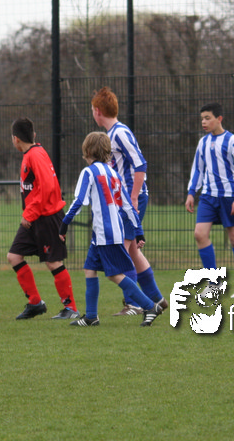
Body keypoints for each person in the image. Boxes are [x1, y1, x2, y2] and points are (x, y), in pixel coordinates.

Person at [61, 132, 163, 327]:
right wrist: (138, 230)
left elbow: (79, 201)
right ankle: (91, 317)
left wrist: (64, 223)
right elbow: (128, 205)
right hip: (109, 232)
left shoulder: (89, 172)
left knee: (114, 275)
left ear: (87, 150)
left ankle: (150, 306)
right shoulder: (113, 173)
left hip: (105, 234)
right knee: (90, 269)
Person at [91, 87, 167, 315]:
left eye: (92, 110)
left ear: (98, 111)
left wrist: (133, 197)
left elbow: (140, 164)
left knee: (121, 251)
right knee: (132, 250)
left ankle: (134, 304)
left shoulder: (119, 133)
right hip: (125, 201)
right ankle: (157, 299)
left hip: (131, 200)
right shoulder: (113, 134)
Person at [7, 118, 78, 320]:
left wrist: (29, 214)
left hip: (47, 217)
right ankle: (35, 303)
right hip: (34, 218)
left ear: (15, 139)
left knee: (53, 262)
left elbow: (46, 188)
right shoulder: (31, 154)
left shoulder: (35, 155)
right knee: (14, 256)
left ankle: (71, 308)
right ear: (34, 135)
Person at [185, 102, 234, 298]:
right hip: (208, 197)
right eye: (202, 119)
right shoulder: (203, 142)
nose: (204, 122)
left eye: (208, 118)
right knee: (200, 234)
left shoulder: (233, 141)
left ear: (219, 119)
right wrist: (191, 192)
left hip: (230, 197)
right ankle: (213, 285)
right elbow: (198, 169)